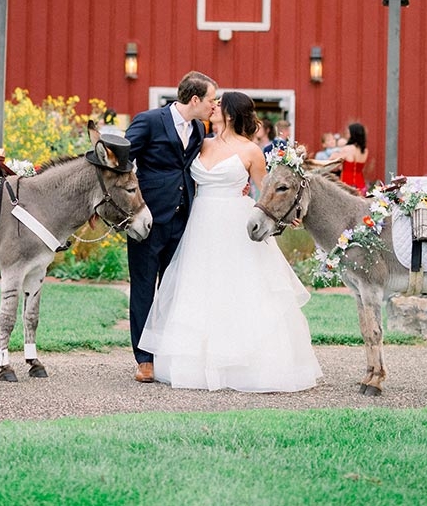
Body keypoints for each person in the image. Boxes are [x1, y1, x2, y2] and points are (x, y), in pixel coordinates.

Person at [138, 91, 322, 392]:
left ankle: (243, 364)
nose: (213, 107)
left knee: (238, 289)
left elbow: (267, 191)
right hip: (199, 223)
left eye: (219, 104)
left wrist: (289, 215)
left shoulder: (251, 151)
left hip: (235, 223)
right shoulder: (202, 142)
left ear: (232, 113)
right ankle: (193, 363)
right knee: (197, 287)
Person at [125, 70, 218, 383]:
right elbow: (122, 161)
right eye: (211, 100)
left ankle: (166, 351)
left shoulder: (200, 128)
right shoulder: (150, 121)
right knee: (144, 289)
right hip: (148, 220)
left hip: (183, 220)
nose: (214, 107)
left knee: (174, 290)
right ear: (195, 99)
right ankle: (144, 359)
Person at [336, 121, 368, 193]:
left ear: (353, 134)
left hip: (347, 183)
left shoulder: (348, 148)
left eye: (348, 133)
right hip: (360, 184)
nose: (347, 135)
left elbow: (335, 162)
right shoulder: (365, 150)